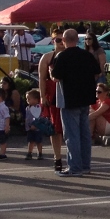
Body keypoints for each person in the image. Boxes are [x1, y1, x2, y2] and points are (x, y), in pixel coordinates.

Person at [51, 27, 102, 177]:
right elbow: (97, 72)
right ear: (77, 40)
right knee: (84, 133)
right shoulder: (87, 55)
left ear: (64, 40)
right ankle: (85, 165)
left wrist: (51, 72)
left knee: (72, 135)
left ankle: (75, 167)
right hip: (85, 98)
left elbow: (56, 77)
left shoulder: (62, 56)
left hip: (69, 99)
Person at [38, 30, 66, 172]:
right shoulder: (47, 57)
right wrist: (42, 96)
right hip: (52, 95)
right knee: (55, 129)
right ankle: (57, 157)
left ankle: (72, 157)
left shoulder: (70, 56)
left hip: (68, 94)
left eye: (63, 40)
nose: (61, 43)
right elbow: (42, 78)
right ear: (53, 41)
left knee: (68, 128)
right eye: (57, 40)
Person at [24, 89, 46, 160]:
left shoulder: (39, 108)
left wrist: (36, 125)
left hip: (37, 129)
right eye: (27, 99)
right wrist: (28, 125)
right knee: (30, 141)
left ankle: (40, 153)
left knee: (38, 141)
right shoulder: (27, 108)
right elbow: (27, 118)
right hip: (30, 128)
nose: (27, 100)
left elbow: (39, 118)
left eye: (29, 99)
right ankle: (29, 153)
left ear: (36, 100)